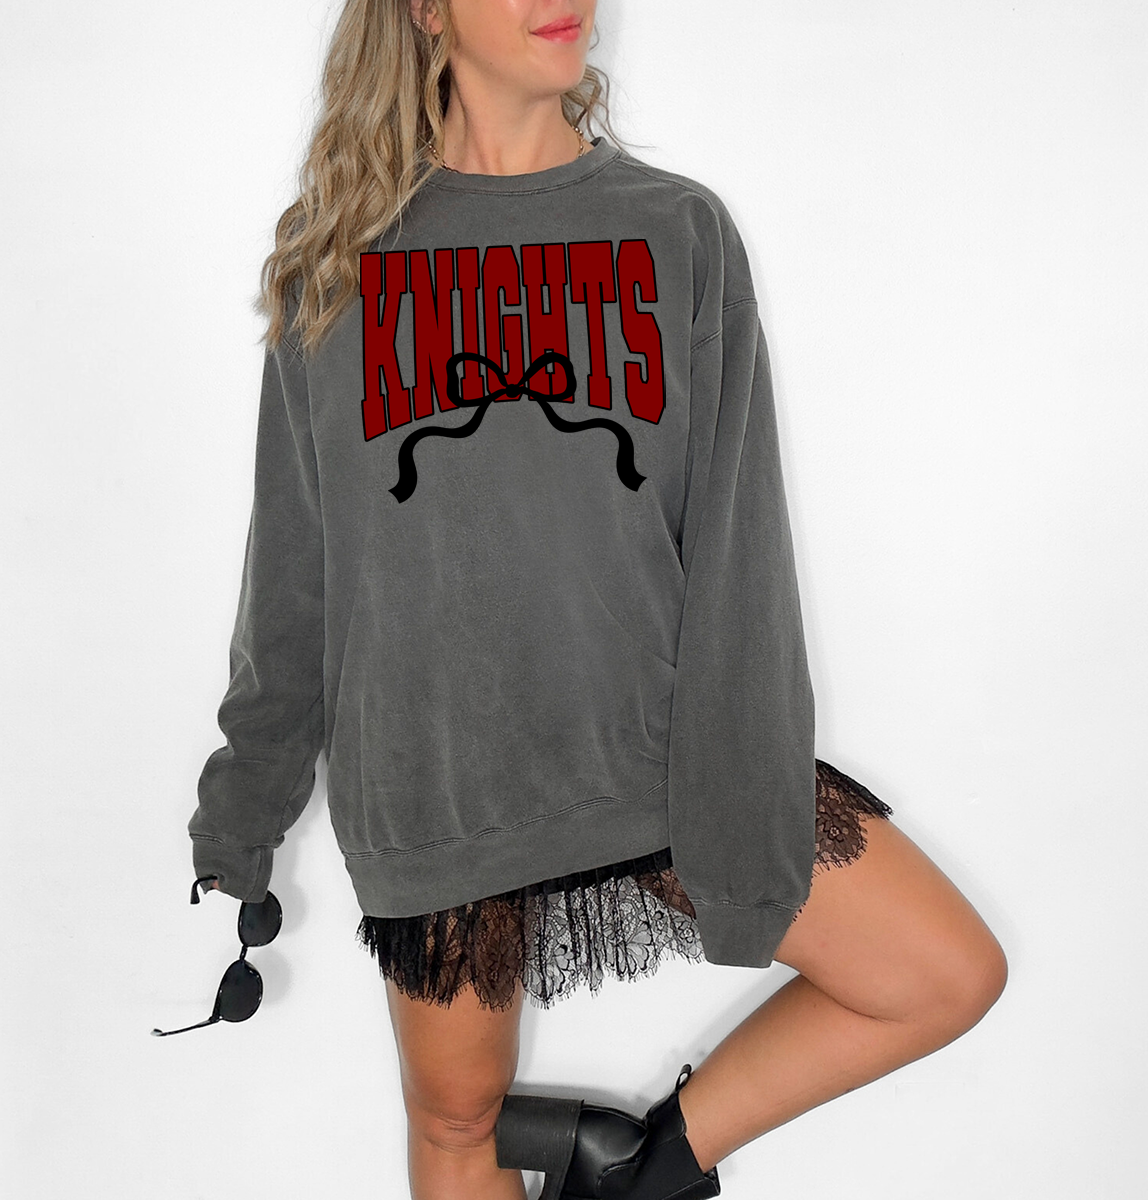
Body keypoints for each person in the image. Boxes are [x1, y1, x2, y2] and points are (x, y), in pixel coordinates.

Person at [184, 2, 1009, 1197]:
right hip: (437, 770)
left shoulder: (676, 233)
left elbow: (737, 537)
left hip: (648, 752)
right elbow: (296, 568)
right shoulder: (339, 256)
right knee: (456, 1119)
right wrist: (244, 809)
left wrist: (741, 784)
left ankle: (634, 1168)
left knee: (944, 973)